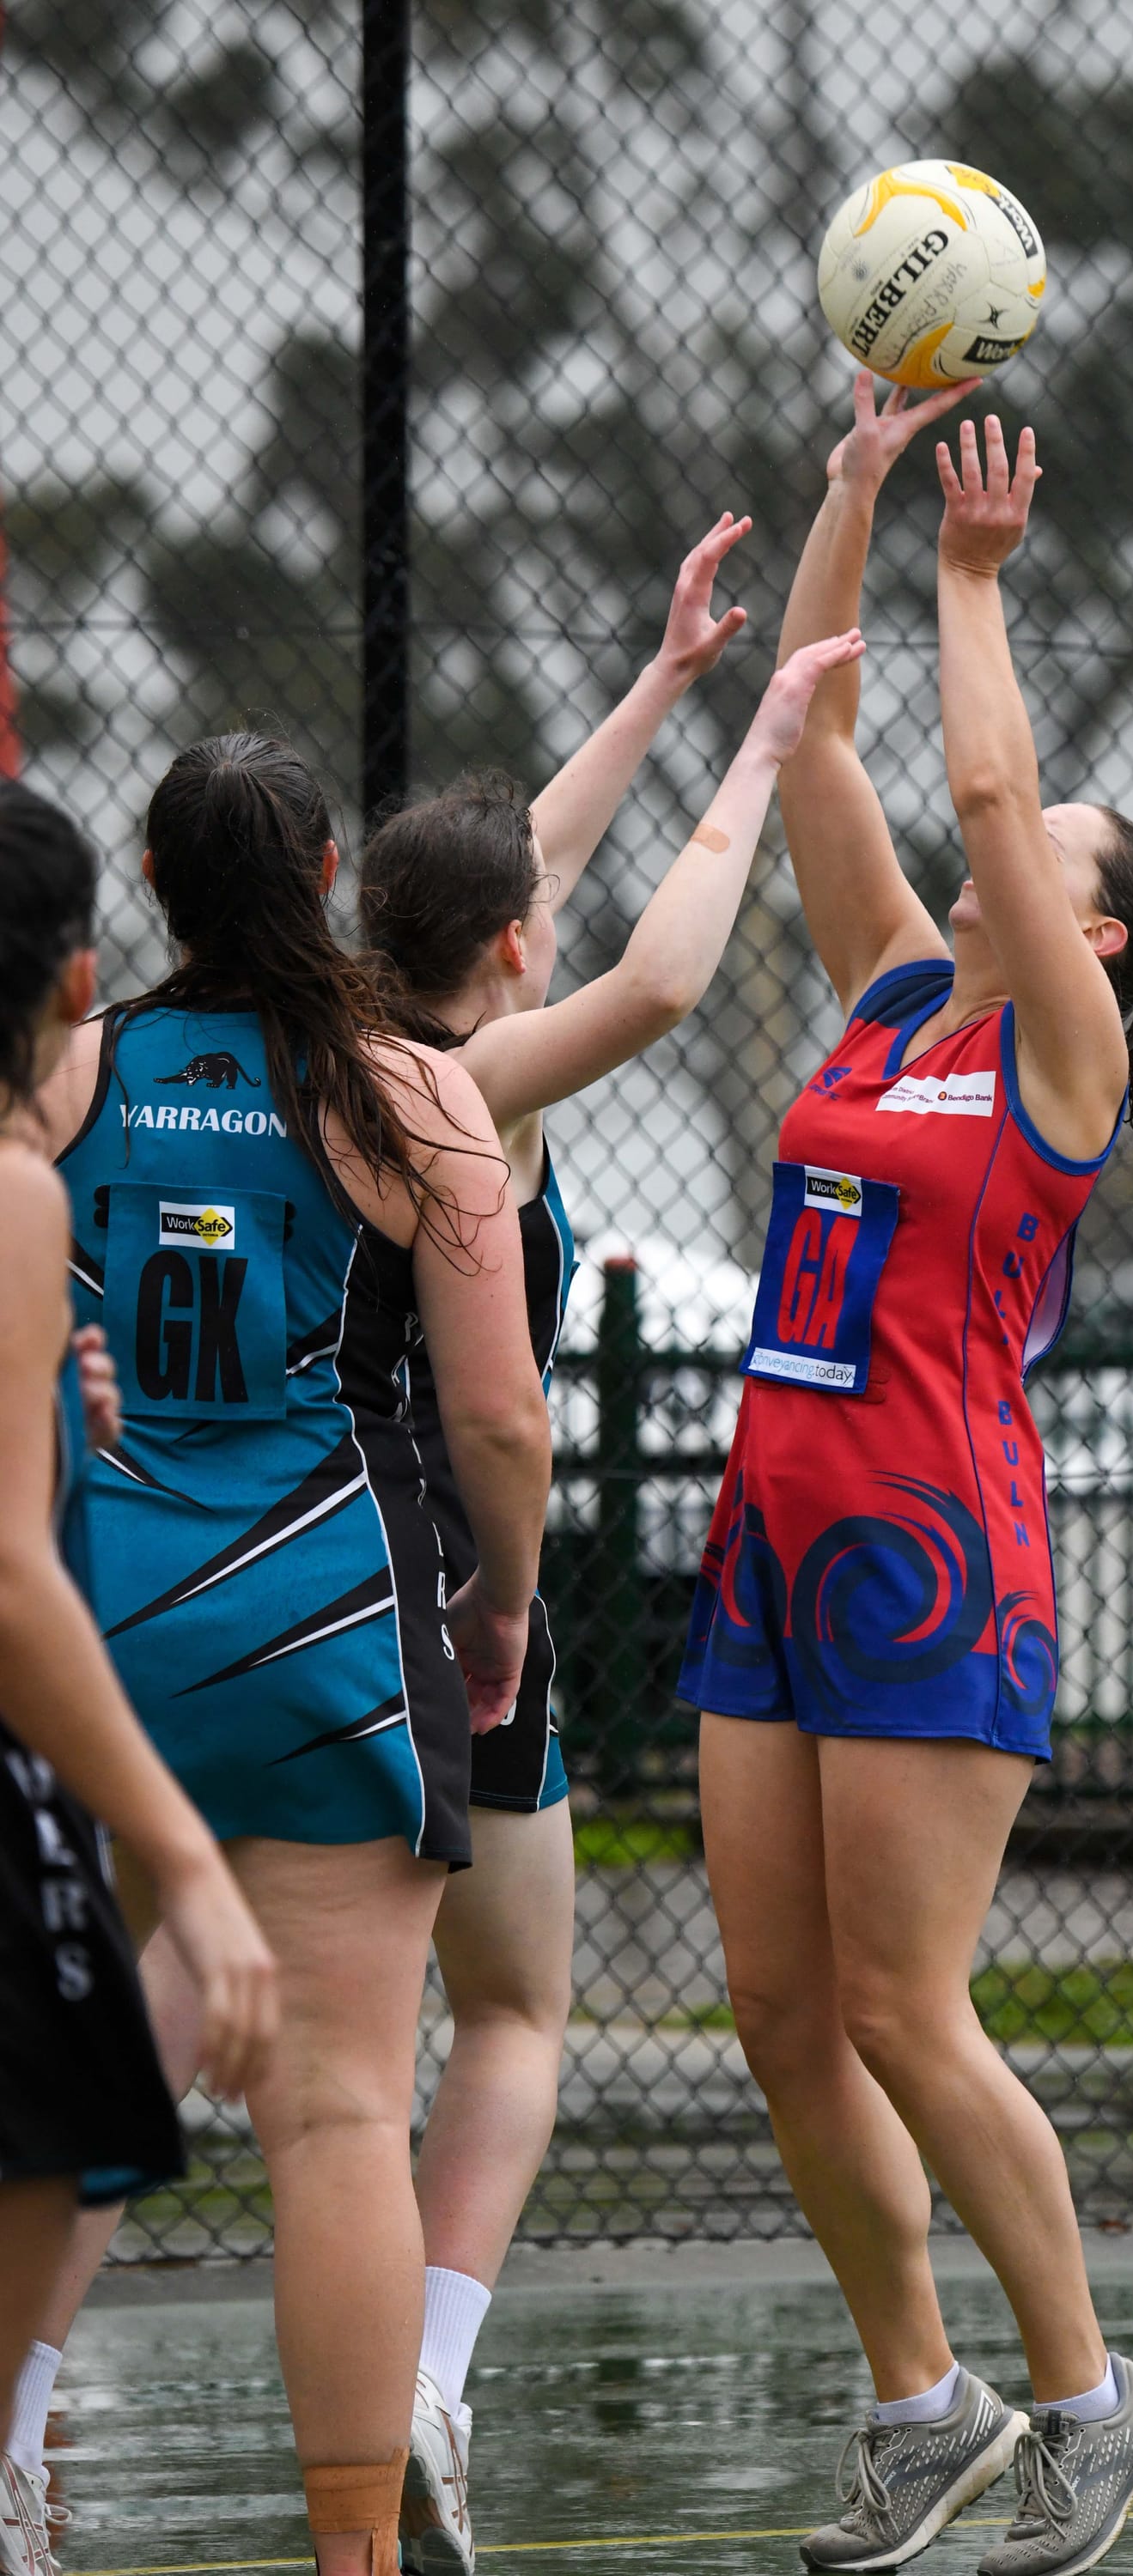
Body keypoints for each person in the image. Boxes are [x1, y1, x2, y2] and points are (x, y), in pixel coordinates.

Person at [683, 375, 1133, 2576]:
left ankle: (1091, 2394)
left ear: (1089, 936)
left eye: (1043, 851)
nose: (1006, 839)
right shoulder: (897, 994)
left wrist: (972, 582)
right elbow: (819, 742)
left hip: (931, 1549)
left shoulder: (1054, 1062)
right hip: (768, 1537)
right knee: (784, 2014)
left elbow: (981, 775)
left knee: (906, 2003)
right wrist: (854, 501)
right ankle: (925, 2403)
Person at [353, 517, 865, 2573]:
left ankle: (31, 2421)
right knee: (506, 2015)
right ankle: (420, 2380)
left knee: (209, 2017)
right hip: (433, 1590)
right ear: (501, 957)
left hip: (223, 1585)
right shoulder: (469, 1081)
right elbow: (656, 971)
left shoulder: (302, 1038)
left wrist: (654, 686)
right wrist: (751, 739)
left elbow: (512, 880)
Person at [32, 737, 551, 2576]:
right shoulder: (410, 1091)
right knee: (337, 2110)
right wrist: (499, 1608)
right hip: (331, 1622)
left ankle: (13, 2442)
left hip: (103, 1636)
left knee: (71, 2065)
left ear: (153, 887)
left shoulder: (78, 1074)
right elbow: (494, 1423)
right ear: (330, 869)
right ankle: (351, 2557)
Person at [0, 778, 277, 2576]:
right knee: (56, 2118)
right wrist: (182, 1854)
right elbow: (7, 1579)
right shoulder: (19, 1192)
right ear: (76, 984)